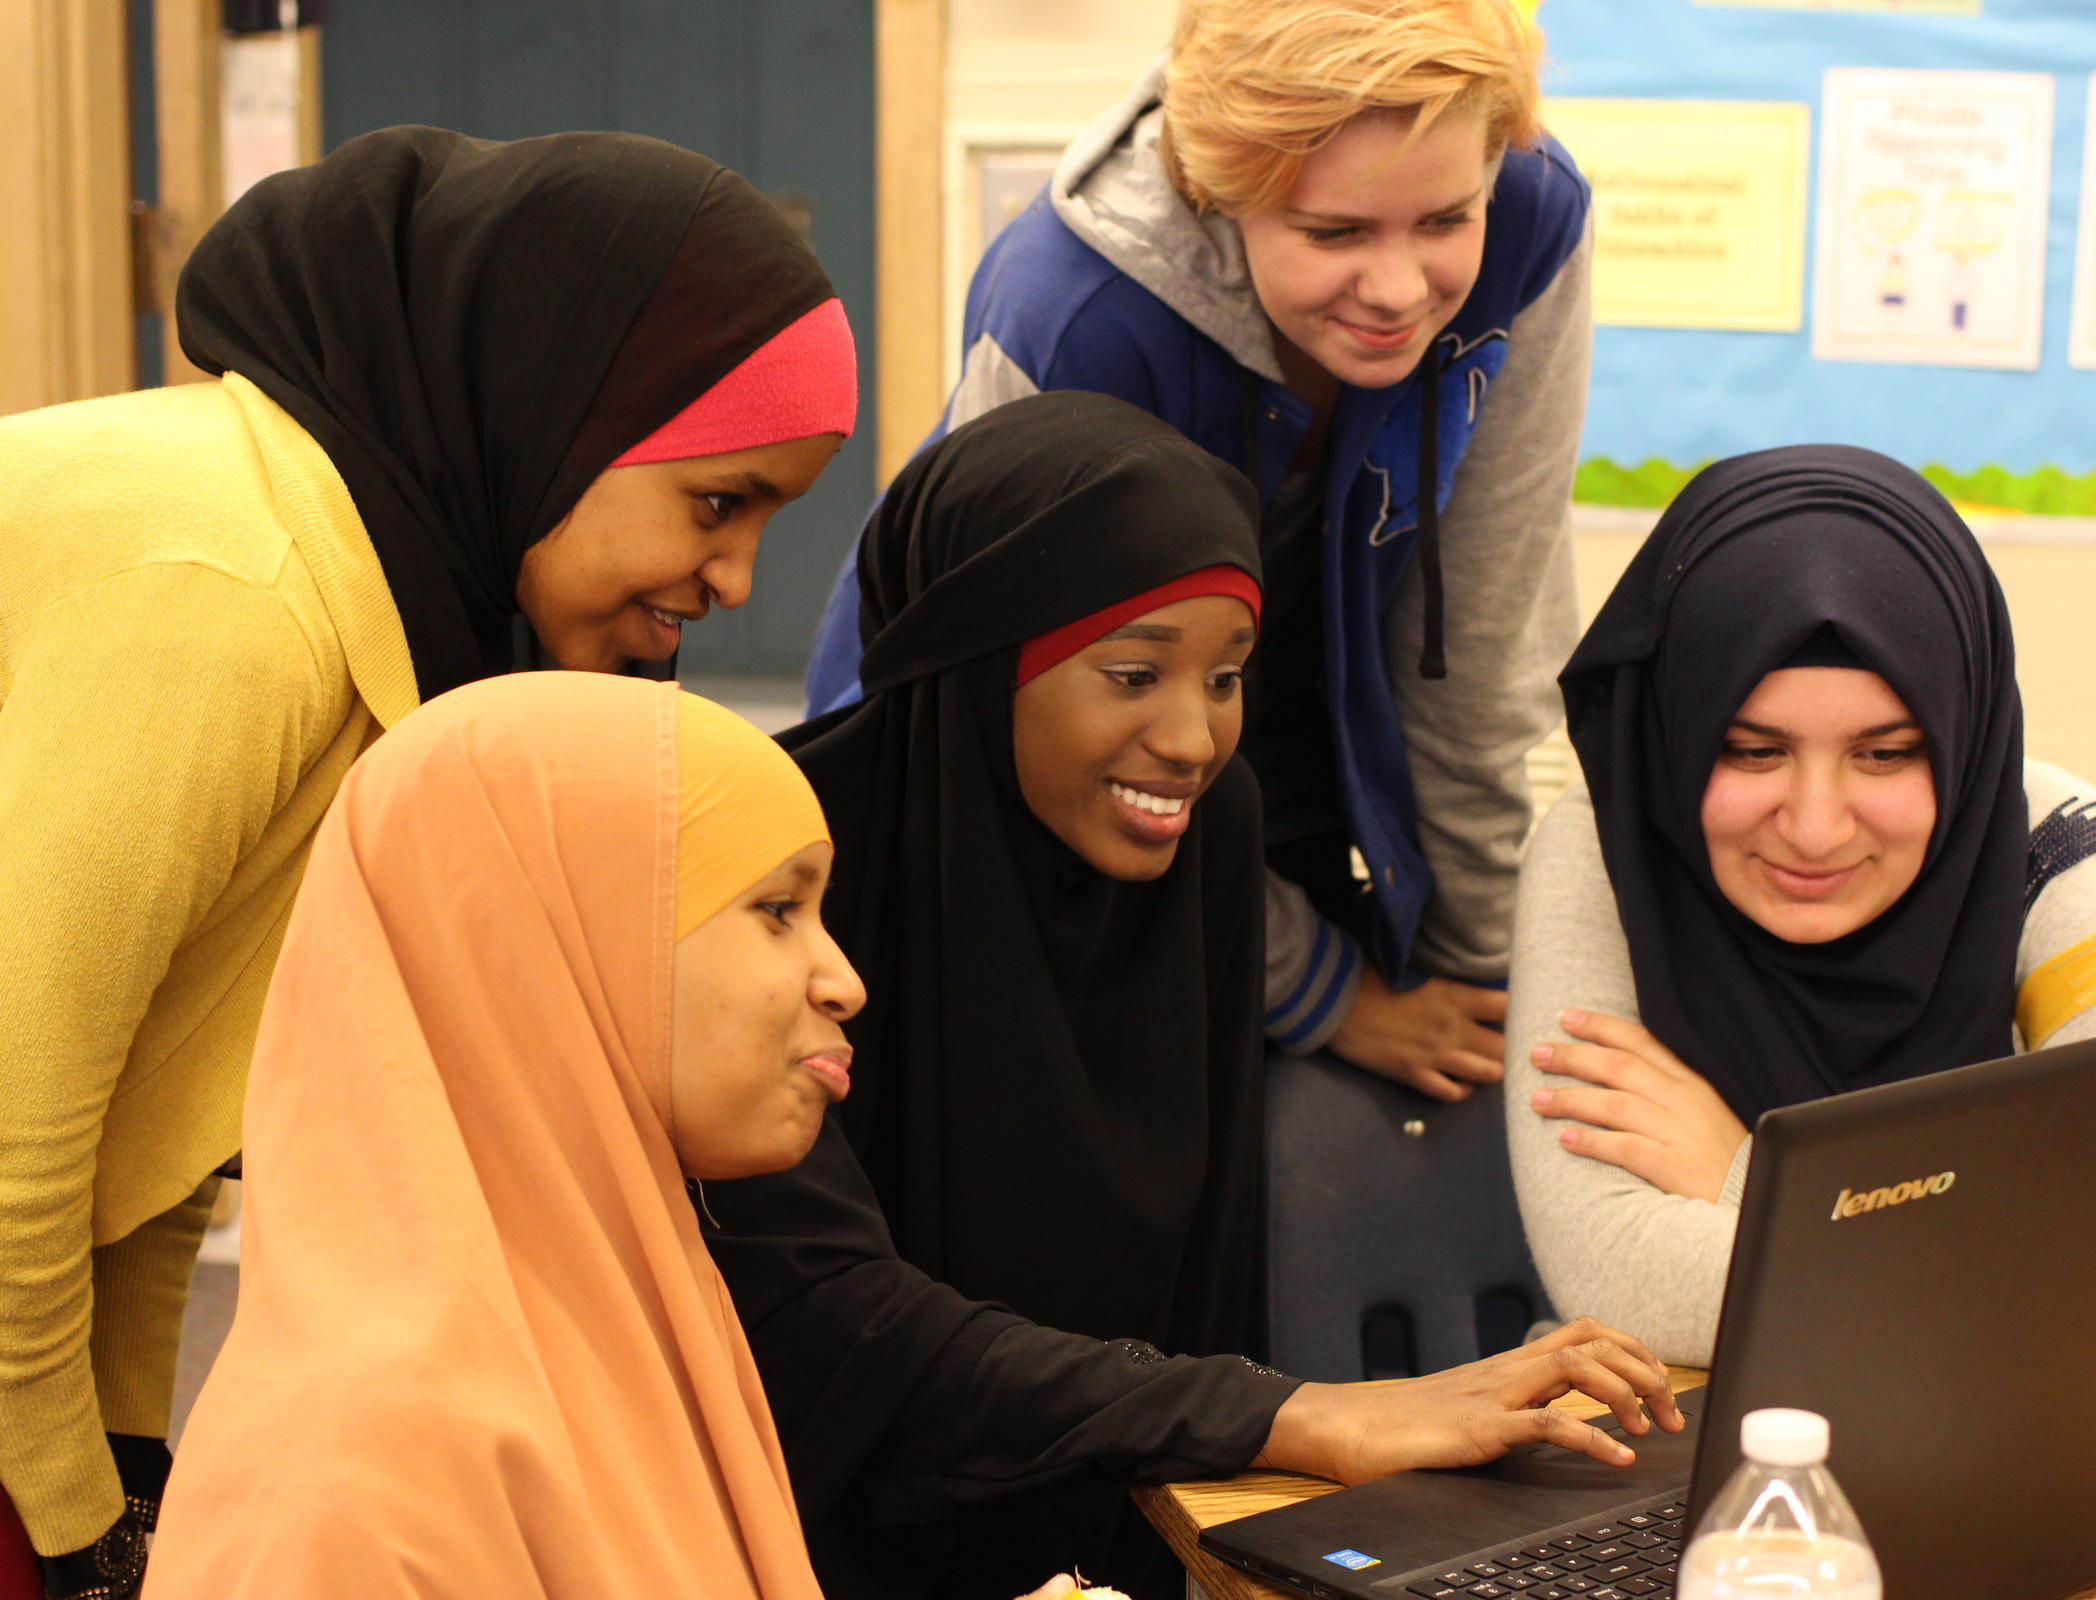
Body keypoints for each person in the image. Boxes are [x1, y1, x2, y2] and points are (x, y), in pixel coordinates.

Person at [0, 125, 855, 1596]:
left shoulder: (383, 632)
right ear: (555, 415)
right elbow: (17, 1112)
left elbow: (149, 1138)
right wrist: (72, 1516)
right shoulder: (242, 591)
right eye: (719, 502)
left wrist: (126, 1471)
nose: (736, 579)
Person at [704, 392, 1684, 1600]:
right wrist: (1304, 1418)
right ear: (974, 662)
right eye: (1132, 673)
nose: (1190, 736)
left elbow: (1203, 1267)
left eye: (1226, 678)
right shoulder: (778, 870)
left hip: (1132, 1515)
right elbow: (833, 1320)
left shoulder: (1207, 838)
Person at [805, 0, 1592, 1101]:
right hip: (1015, 789)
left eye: (1445, 221)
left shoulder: (1531, 212)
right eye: (1334, 233)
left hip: (1295, 713)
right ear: (1220, 192)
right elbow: (1020, 749)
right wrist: (1331, 995)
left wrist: (1478, 971)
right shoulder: (1079, 314)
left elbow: (1479, 647)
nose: (1401, 288)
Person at [1504, 444, 2096, 1369]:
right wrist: (2077, 1278)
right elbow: (1618, 1273)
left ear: (1961, 731)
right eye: (1751, 751)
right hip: (1669, 1438)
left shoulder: (2049, 836)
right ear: (1677, 732)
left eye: (1886, 754)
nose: (1815, 829)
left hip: (2008, 1447)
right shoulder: (1605, 850)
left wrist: (1754, 1178)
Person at [143, 676, 860, 1598]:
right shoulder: (364, 1472)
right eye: (777, 909)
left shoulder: (621, 1315)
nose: (841, 980)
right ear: (557, 939)